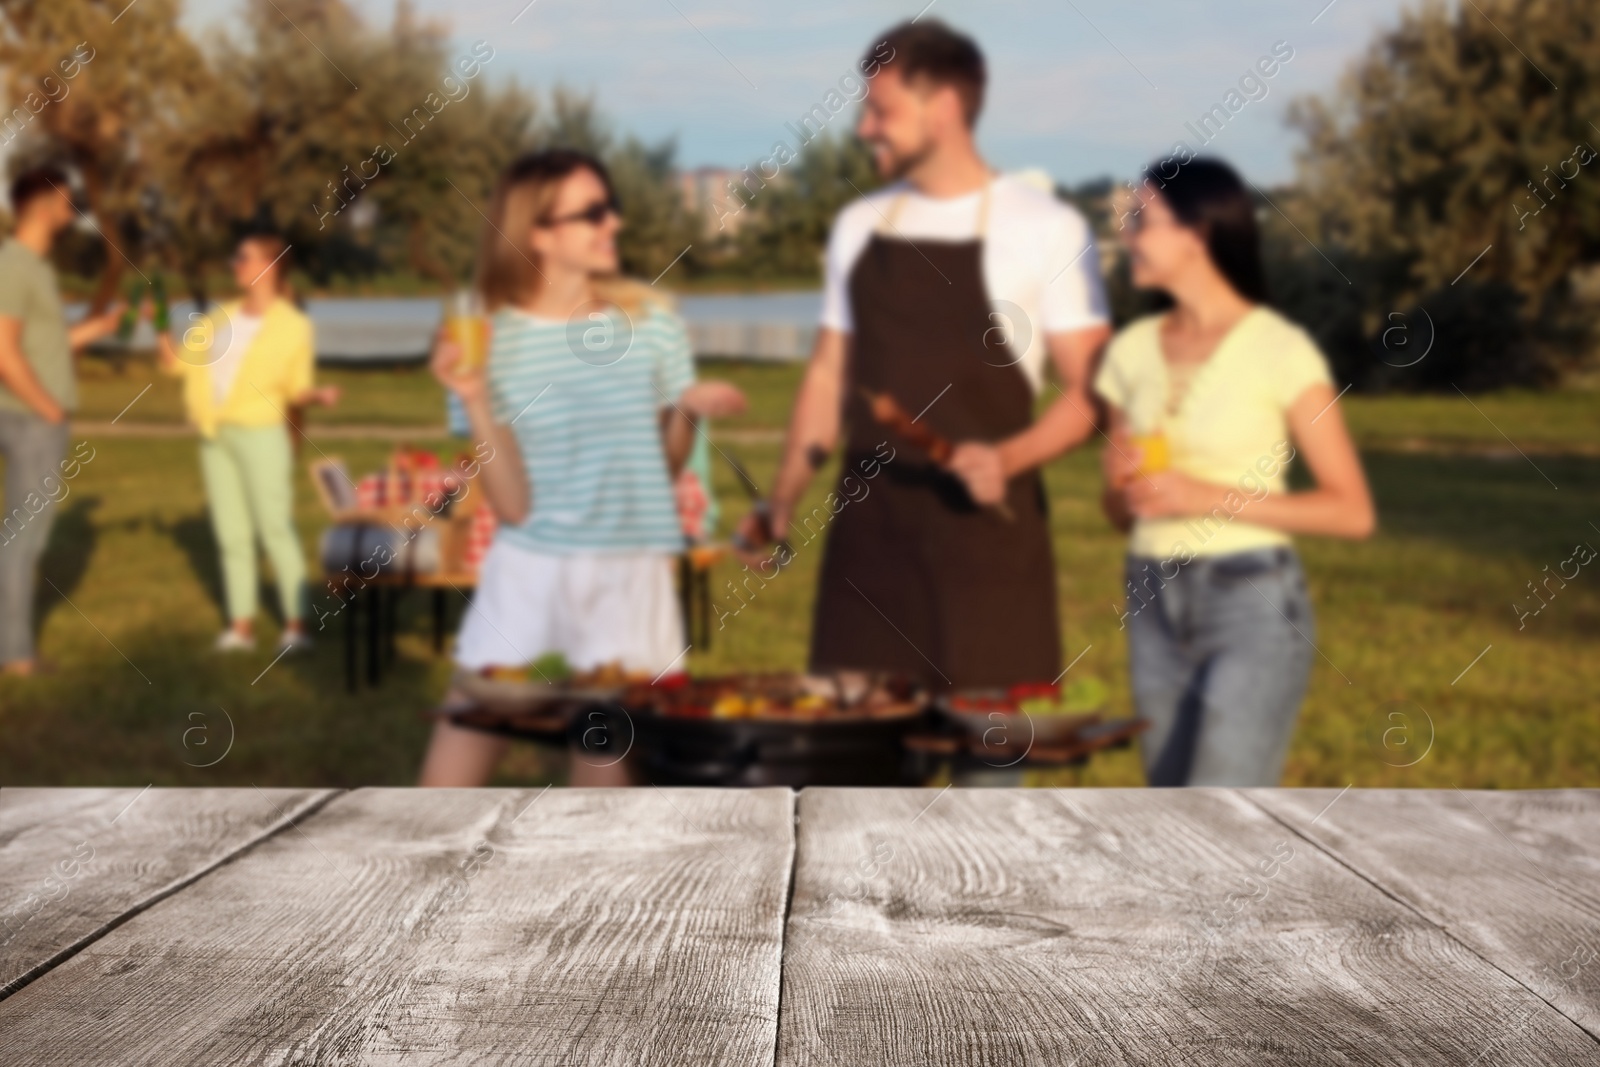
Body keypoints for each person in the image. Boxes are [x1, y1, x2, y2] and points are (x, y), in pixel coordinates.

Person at [741, 20, 1110, 692]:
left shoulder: (1047, 229)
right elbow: (828, 376)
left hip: (987, 542)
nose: (863, 128)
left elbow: (1094, 392)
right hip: (871, 541)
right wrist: (782, 497)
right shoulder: (859, 227)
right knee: (852, 776)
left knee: (985, 778)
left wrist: (1007, 459)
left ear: (941, 110)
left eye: (880, 111)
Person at [418, 149, 744, 788]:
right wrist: (475, 398)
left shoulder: (653, 325)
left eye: (612, 207)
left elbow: (666, 466)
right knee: (452, 768)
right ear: (537, 231)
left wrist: (689, 411)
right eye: (593, 213)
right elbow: (511, 507)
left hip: (630, 572)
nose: (613, 223)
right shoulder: (482, 338)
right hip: (526, 567)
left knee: (603, 787)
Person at [1096, 158, 1375, 788]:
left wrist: (1206, 496)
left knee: (1225, 819)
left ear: (1197, 234)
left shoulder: (1279, 348)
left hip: (1251, 597)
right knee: (1174, 818)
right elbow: (1118, 514)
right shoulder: (1129, 351)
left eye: (1141, 219)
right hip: (1151, 596)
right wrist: (1119, 486)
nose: (1129, 235)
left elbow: (1350, 511)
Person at [157, 235, 339, 653]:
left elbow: (297, 387)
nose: (234, 262)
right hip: (214, 436)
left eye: (243, 256)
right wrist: (160, 329)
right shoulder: (220, 318)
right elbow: (181, 366)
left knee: (275, 527)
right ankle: (241, 629)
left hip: (261, 434)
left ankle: (297, 627)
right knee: (231, 534)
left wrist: (318, 395)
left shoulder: (295, 326)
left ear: (270, 267)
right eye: (234, 255)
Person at [0, 166, 124, 677]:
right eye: (67, 202)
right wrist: (47, 407)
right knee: (22, 540)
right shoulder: (14, 264)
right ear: (45, 202)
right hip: (29, 419)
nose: (73, 211)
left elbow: (40, 345)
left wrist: (95, 328)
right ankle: (15, 656)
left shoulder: (33, 267)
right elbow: (4, 350)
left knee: (21, 539)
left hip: (29, 415)